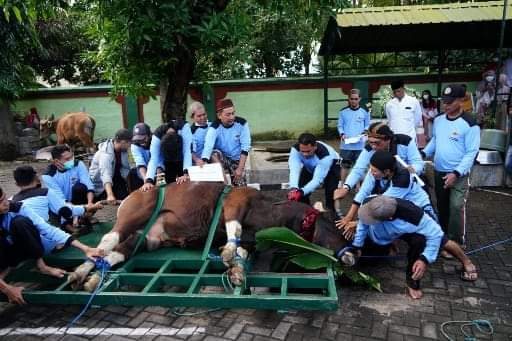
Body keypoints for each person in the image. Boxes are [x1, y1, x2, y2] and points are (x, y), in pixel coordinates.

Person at [341, 195, 477, 300]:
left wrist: (425, 259)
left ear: (389, 218)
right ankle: (391, 245)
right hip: (390, 230)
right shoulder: (371, 202)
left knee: (435, 242)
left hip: (414, 229)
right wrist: (357, 246)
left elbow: (435, 234)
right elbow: (363, 223)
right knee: (371, 250)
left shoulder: (416, 217)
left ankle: (465, 262)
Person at [0, 186, 104, 305]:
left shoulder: (17, 207)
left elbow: (47, 229)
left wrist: (86, 249)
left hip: (17, 250)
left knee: (21, 222)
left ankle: (42, 266)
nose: (5, 203)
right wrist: (8, 290)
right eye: (0, 202)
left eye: (4, 198)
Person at [423, 84, 480, 249]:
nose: (445, 105)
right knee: (442, 205)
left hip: (459, 174)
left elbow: (471, 152)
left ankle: (456, 242)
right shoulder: (439, 120)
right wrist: (423, 153)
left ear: (461, 100)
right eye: (444, 102)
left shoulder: (470, 123)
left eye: (450, 102)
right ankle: (444, 237)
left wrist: (456, 173)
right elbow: (435, 140)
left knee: (456, 206)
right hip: (439, 170)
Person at [337, 151, 435, 240]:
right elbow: (363, 192)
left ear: (387, 172)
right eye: (370, 169)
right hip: (400, 206)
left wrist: (358, 223)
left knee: (429, 240)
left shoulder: (402, 179)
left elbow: (382, 205)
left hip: (420, 209)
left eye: (374, 171)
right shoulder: (378, 170)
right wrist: (349, 217)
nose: (371, 173)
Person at [333, 122, 424, 202]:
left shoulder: (405, 141)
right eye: (370, 142)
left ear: (388, 139)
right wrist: (346, 187)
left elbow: (418, 163)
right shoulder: (369, 149)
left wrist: (413, 169)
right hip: (382, 183)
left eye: (377, 143)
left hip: (407, 182)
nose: (373, 147)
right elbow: (358, 169)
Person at [11, 166, 101, 234]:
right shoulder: (46, 193)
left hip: (26, 240)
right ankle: (68, 231)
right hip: (48, 237)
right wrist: (87, 208)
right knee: (57, 208)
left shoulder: (11, 200)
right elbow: (66, 211)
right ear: (37, 179)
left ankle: (70, 227)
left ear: (16, 184)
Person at [201, 98, 251, 186]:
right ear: (219, 116)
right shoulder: (214, 127)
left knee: (241, 190)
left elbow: (245, 147)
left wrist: (240, 169)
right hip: (222, 158)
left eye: (233, 113)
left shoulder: (242, 123)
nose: (232, 117)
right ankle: (223, 182)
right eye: (228, 115)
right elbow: (208, 146)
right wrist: (203, 162)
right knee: (214, 153)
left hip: (237, 160)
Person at [42, 144, 96, 221]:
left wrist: (90, 204)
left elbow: (88, 184)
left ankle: (84, 216)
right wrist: (76, 212)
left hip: (78, 200)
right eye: (67, 159)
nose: (72, 160)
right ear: (56, 161)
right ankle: (76, 217)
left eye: (72, 157)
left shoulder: (78, 164)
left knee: (81, 187)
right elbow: (60, 198)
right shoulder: (48, 175)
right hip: (63, 204)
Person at [287, 133, 341, 211]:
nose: (305, 154)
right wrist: (294, 188)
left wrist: (302, 192)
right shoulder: (295, 149)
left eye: (308, 151)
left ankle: (333, 215)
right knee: (300, 191)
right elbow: (294, 170)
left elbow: (317, 180)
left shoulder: (326, 155)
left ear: (315, 146)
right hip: (310, 166)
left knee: (330, 193)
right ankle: (306, 212)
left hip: (332, 167)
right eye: (302, 151)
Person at [140, 117, 193, 191]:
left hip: (182, 158)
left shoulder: (184, 127)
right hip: (166, 161)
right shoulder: (157, 136)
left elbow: (187, 151)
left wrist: (186, 174)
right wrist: (148, 181)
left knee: (186, 182)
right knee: (167, 183)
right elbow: (153, 159)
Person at [89, 128, 132, 203]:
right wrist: (110, 195)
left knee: (125, 199)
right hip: (101, 184)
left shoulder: (123, 151)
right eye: (129, 142)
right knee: (110, 202)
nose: (130, 145)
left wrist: (130, 190)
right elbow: (105, 174)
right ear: (122, 142)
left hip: (115, 178)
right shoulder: (105, 154)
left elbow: (125, 169)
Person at [337, 89, 370, 183]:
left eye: (356, 99)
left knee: (359, 166)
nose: (353, 101)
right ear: (349, 99)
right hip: (346, 145)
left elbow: (367, 125)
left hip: (360, 145)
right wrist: (342, 134)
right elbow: (340, 125)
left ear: (359, 99)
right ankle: (342, 184)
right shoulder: (343, 112)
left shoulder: (365, 111)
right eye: (351, 99)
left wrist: (364, 131)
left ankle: (358, 185)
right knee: (344, 166)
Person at [128, 122, 152, 192]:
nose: (141, 142)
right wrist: (146, 180)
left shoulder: (155, 141)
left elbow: (157, 160)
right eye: (138, 139)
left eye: (143, 138)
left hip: (158, 170)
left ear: (149, 135)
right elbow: (140, 162)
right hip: (143, 172)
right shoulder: (134, 145)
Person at [187, 101, 210, 166]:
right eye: (199, 116)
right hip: (200, 163)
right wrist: (197, 160)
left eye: (204, 114)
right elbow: (190, 150)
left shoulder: (212, 126)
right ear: (192, 117)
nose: (203, 117)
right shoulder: (191, 132)